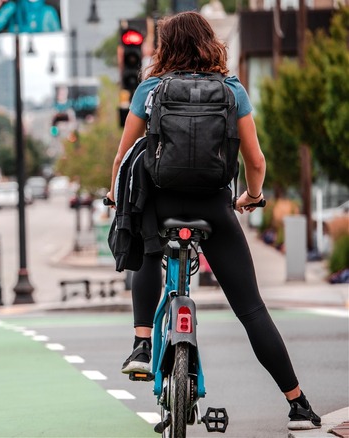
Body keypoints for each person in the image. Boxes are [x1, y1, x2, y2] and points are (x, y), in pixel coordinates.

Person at [106, 11, 321, 431]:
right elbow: (255, 160)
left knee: (147, 252)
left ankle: (141, 344)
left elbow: (122, 156)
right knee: (252, 309)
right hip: (214, 207)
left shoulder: (150, 88)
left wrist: (115, 193)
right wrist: (253, 197)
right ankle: (297, 404)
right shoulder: (232, 89)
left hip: (160, 203)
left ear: (165, 47)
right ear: (211, 43)